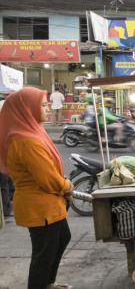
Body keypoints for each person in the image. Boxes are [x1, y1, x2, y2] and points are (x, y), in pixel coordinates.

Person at [0, 87, 74, 289]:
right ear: (27, 108)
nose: (48, 108)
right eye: (42, 105)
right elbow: (48, 178)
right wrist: (68, 186)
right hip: (40, 207)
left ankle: (48, 283)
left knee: (61, 239)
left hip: (49, 204)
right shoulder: (26, 141)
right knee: (44, 253)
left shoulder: (31, 132)